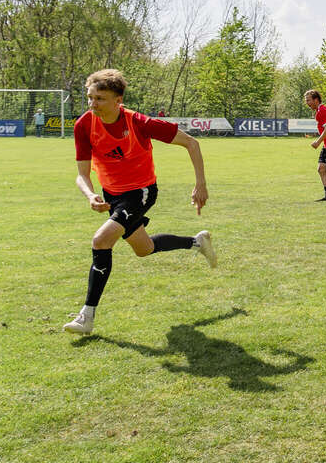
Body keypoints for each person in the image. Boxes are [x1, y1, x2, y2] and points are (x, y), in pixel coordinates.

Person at [63, 69, 215, 335]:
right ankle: (197, 242)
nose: (92, 104)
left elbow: (192, 143)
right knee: (144, 248)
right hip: (112, 196)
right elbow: (81, 175)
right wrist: (90, 195)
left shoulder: (139, 122)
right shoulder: (84, 125)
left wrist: (200, 184)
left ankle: (86, 316)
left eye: (99, 98)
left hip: (141, 192)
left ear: (118, 100)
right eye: (90, 97)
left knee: (101, 241)